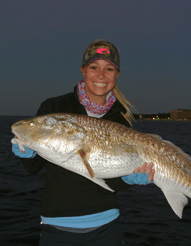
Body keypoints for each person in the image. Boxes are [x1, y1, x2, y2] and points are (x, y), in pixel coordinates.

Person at [12, 40, 155, 246]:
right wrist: (28, 152)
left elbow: (112, 182)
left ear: (117, 75)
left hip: (108, 225)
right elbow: (33, 168)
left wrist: (130, 179)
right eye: (94, 67)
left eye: (109, 69)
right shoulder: (55, 107)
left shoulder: (120, 120)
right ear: (83, 70)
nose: (101, 75)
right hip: (57, 225)